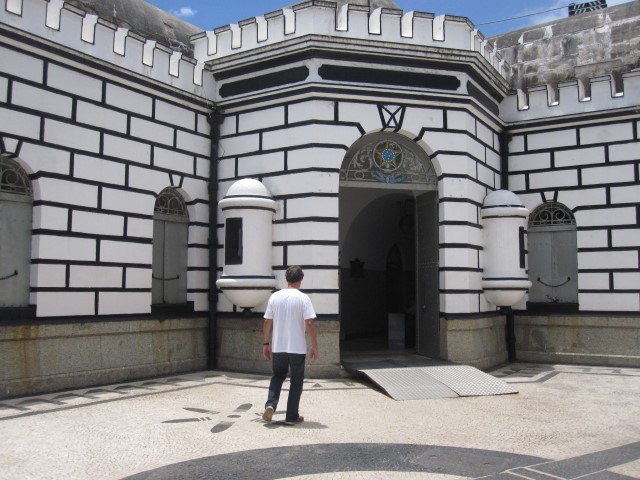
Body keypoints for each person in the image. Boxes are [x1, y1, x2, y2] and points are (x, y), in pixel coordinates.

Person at [262, 265, 318, 425]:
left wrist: (266, 343)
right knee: (296, 381)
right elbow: (309, 323)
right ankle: (292, 415)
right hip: (297, 347)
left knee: (277, 376)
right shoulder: (303, 298)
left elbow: (267, 321)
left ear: (287, 279)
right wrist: (314, 345)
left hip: (278, 346)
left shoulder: (274, 297)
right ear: (300, 280)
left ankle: (271, 404)